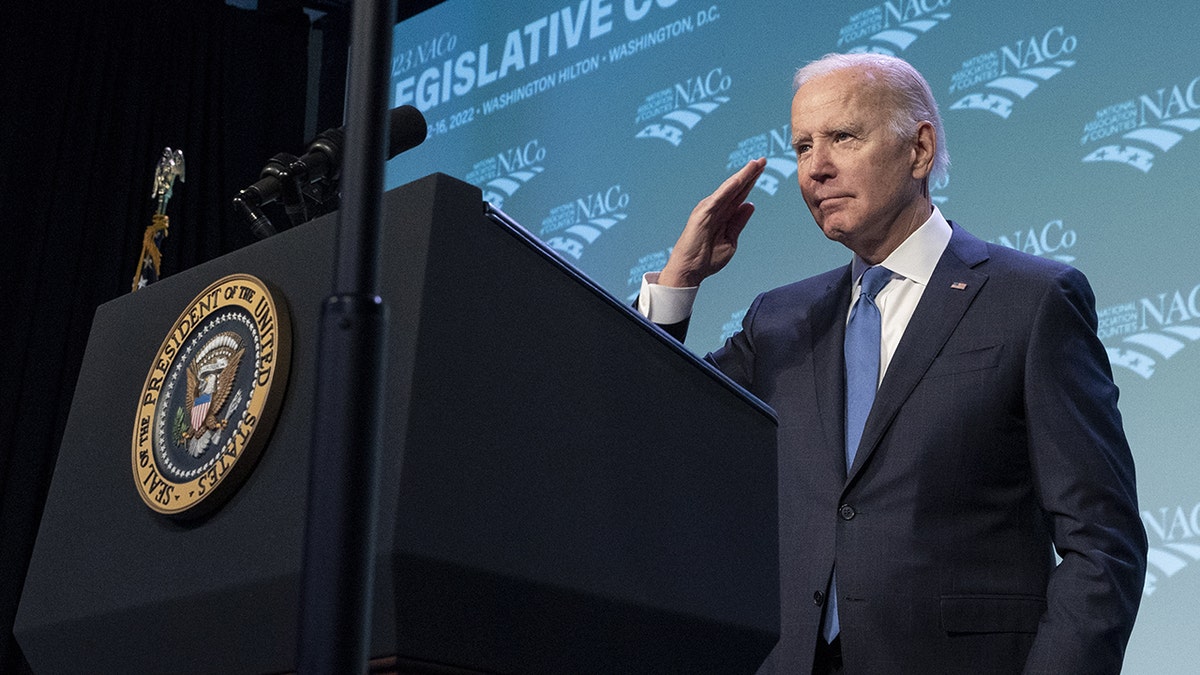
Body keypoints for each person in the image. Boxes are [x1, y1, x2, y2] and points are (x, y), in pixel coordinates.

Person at [638, 53, 1147, 673]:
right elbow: (656, 432)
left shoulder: (1032, 300)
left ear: (920, 150)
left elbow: (1102, 543)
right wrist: (677, 283)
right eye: (802, 147)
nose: (816, 169)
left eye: (843, 138)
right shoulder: (780, 321)